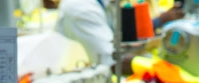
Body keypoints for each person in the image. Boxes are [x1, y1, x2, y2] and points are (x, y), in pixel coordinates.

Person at [51, 0, 184, 73]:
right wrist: (157, 69)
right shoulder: (80, 8)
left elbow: (120, 41)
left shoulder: (107, 4)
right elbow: (111, 59)